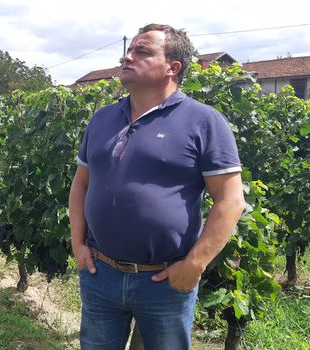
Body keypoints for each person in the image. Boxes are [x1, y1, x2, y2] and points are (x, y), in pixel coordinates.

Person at [68, 24, 245, 350]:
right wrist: (78, 244)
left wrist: (194, 265)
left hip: (163, 281)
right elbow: (81, 184)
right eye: (130, 49)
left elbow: (230, 200)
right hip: (100, 273)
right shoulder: (102, 118)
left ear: (172, 68)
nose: (128, 56)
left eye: (142, 51)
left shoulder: (203, 121)